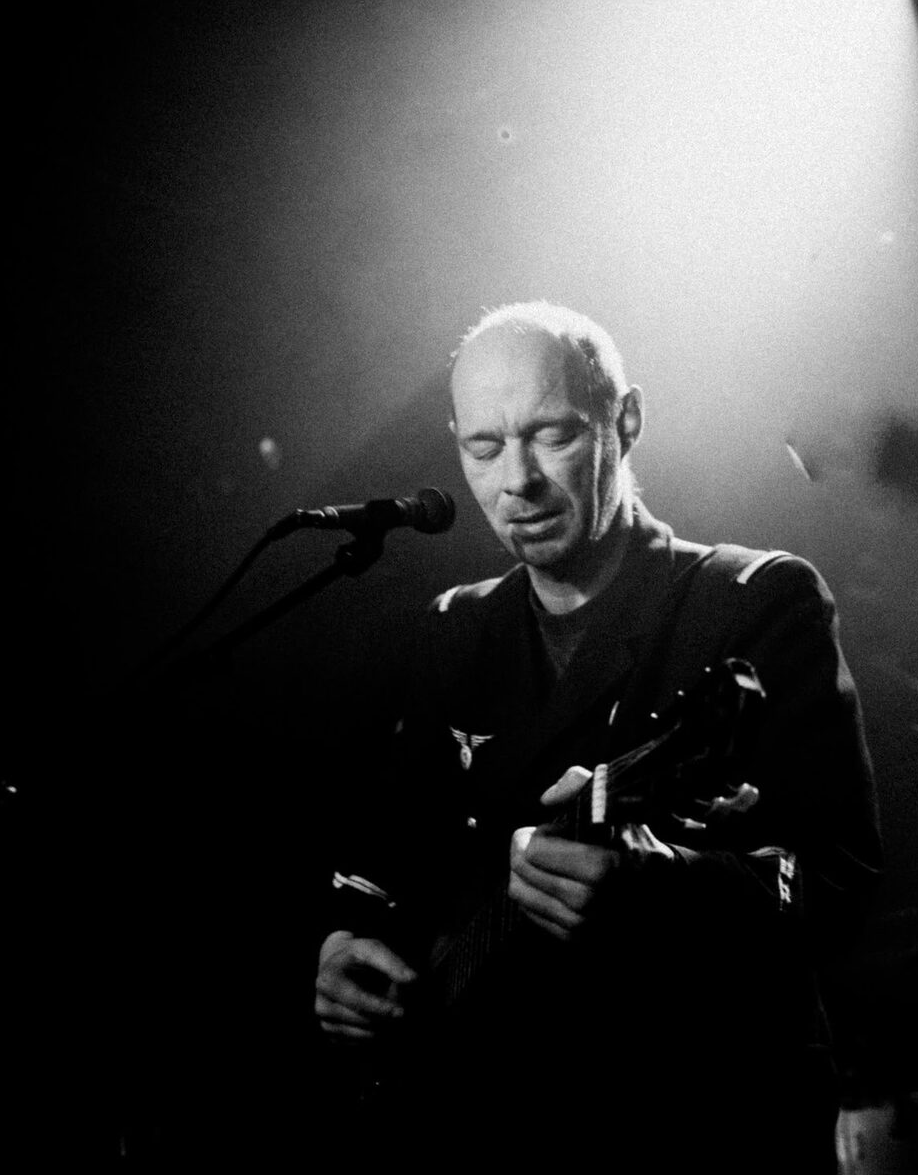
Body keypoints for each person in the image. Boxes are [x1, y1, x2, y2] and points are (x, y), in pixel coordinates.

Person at [314, 302, 881, 1168]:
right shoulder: (454, 629)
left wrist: (655, 891)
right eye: (485, 447)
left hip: (698, 1118)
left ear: (627, 421)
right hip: (485, 1117)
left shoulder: (752, 601)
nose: (518, 481)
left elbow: (840, 881)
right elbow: (388, 853)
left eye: (551, 435)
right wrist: (346, 939)